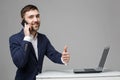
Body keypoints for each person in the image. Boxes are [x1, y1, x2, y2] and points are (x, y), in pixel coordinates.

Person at [9, 4, 70, 80]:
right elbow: (20, 63)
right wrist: (27, 38)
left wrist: (63, 58)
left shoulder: (43, 38)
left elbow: (53, 55)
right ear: (23, 21)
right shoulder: (14, 39)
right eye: (31, 17)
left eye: (37, 16)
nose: (36, 20)